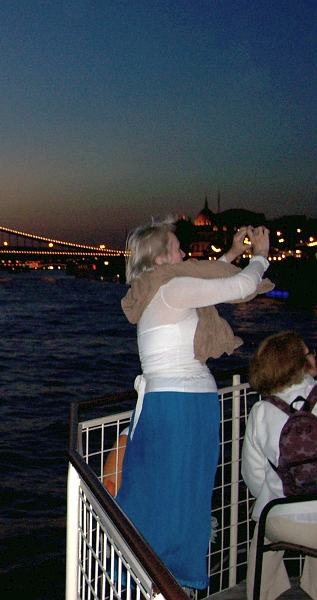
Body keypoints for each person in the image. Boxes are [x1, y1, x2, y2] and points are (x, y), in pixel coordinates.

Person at [116, 217, 271, 590]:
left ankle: (141, 575)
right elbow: (241, 286)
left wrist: (232, 253)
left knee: (156, 490)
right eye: (177, 247)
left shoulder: (155, 289)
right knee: (183, 497)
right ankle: (172, 584)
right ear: (161, 259)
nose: (185, 252)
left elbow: (206, 277)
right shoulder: (173, 288)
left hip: (165, 404)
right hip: (182, 408)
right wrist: (261, 257)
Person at [242, 331, 317, 600]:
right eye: (309, 352)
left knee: (262, 533)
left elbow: (252, 476)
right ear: (299, 363)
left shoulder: (261, 411)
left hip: (281, 520)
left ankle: (263, 594)